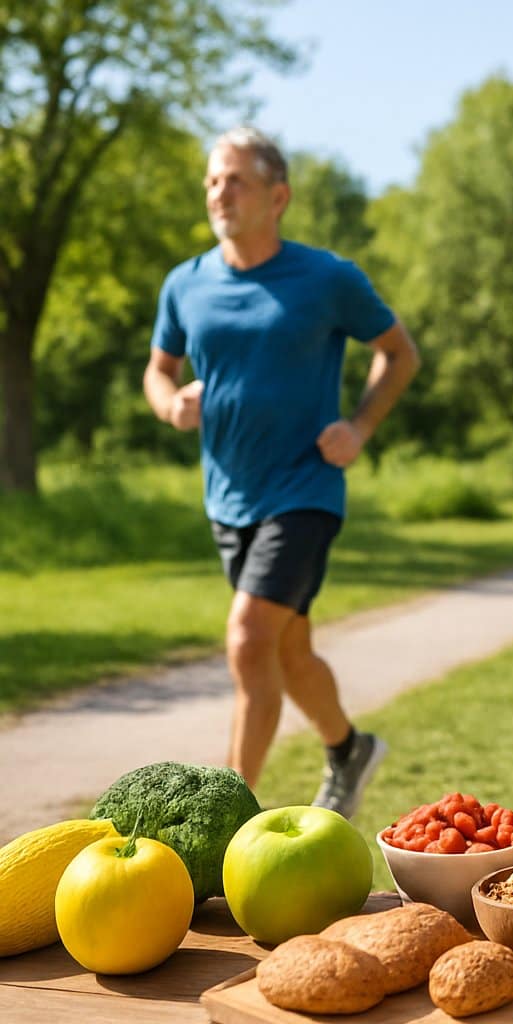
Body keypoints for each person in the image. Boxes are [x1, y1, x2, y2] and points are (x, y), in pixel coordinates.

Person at [143, 127, 420, 816]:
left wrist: (359, 426)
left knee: (247, 638)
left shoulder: (327, 278)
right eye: (212, 181)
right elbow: (158, 369)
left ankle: (224, 814)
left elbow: (398, 352)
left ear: (278, 196)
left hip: (305, 490)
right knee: (289, 653)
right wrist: (170, 404)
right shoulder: (186, 284)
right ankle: (349, 749)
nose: (219, 192)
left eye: (235, 180)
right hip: (228, 497)